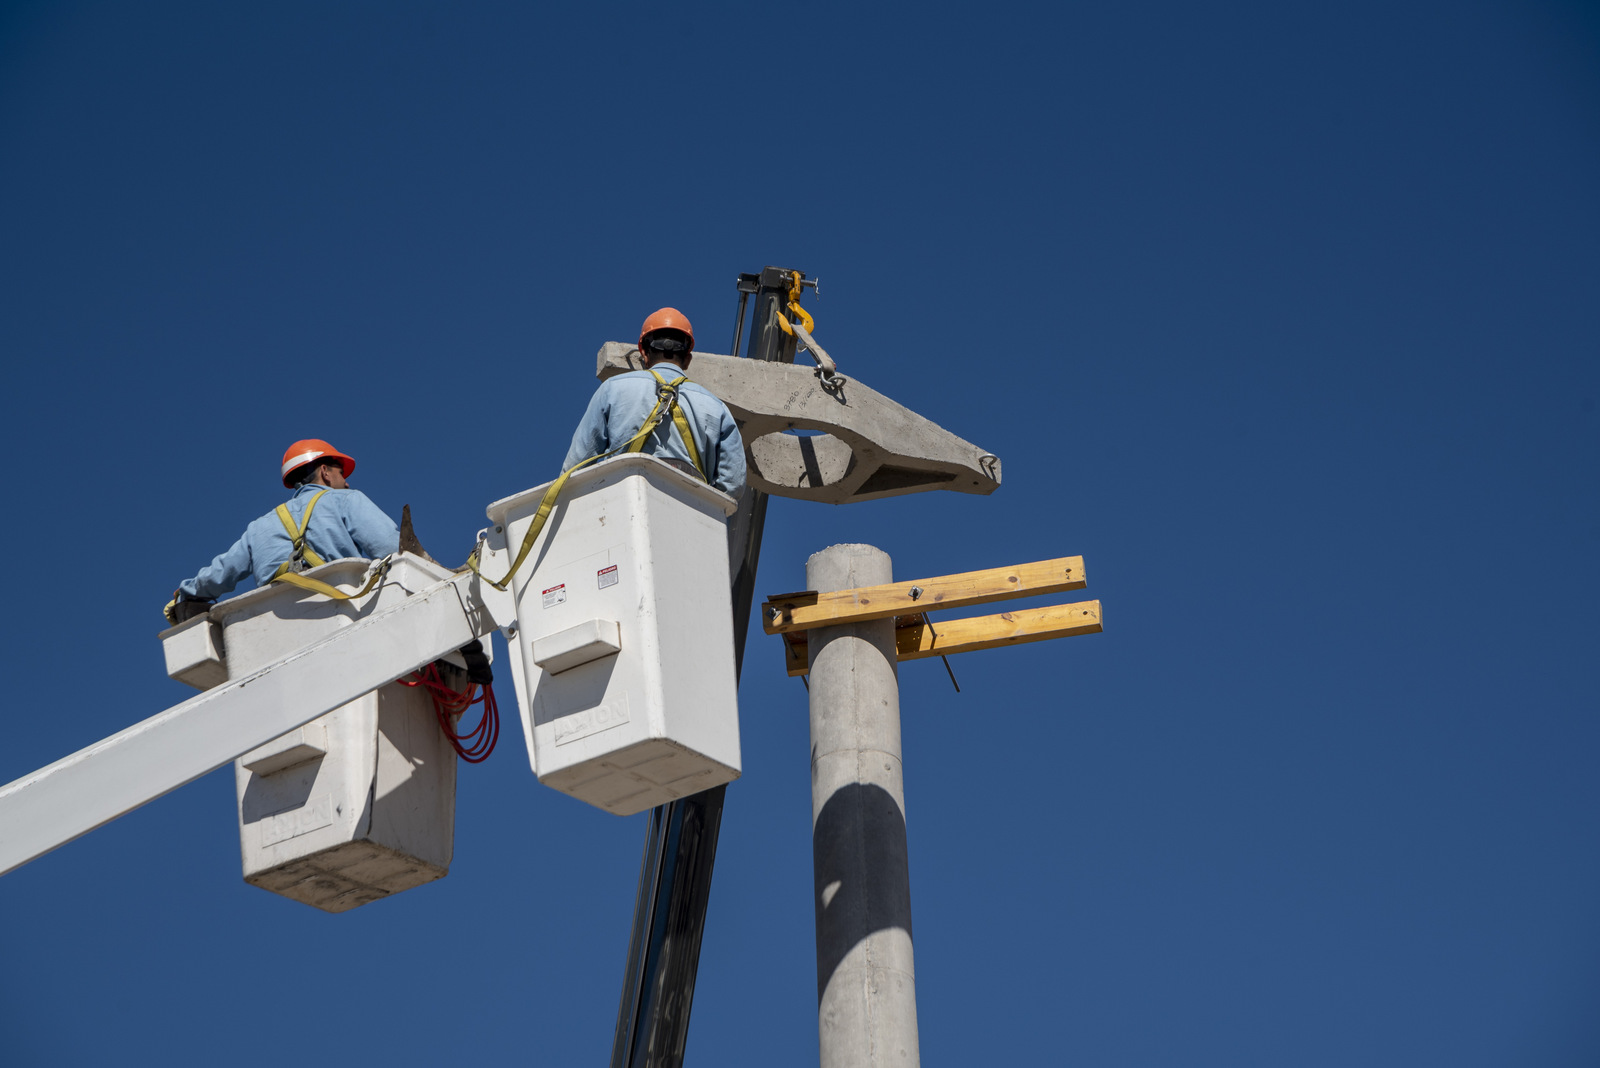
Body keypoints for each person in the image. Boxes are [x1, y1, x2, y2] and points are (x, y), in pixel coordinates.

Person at [164, 439, 400, 623]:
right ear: (326, 472)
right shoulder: (346, 499)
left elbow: (220, 572)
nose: (346, 482)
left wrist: (184, 594)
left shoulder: (258, 528)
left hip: (277, 628)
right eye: (341, 474)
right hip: (342, 613)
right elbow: (392, 548)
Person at [563, 307, 746, 497]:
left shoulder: (613, 389)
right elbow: (732, 485)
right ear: (688, 359)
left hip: (621, 506)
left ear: (644, 353)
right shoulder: (716, 407)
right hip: (690, 512)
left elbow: (576, 467)